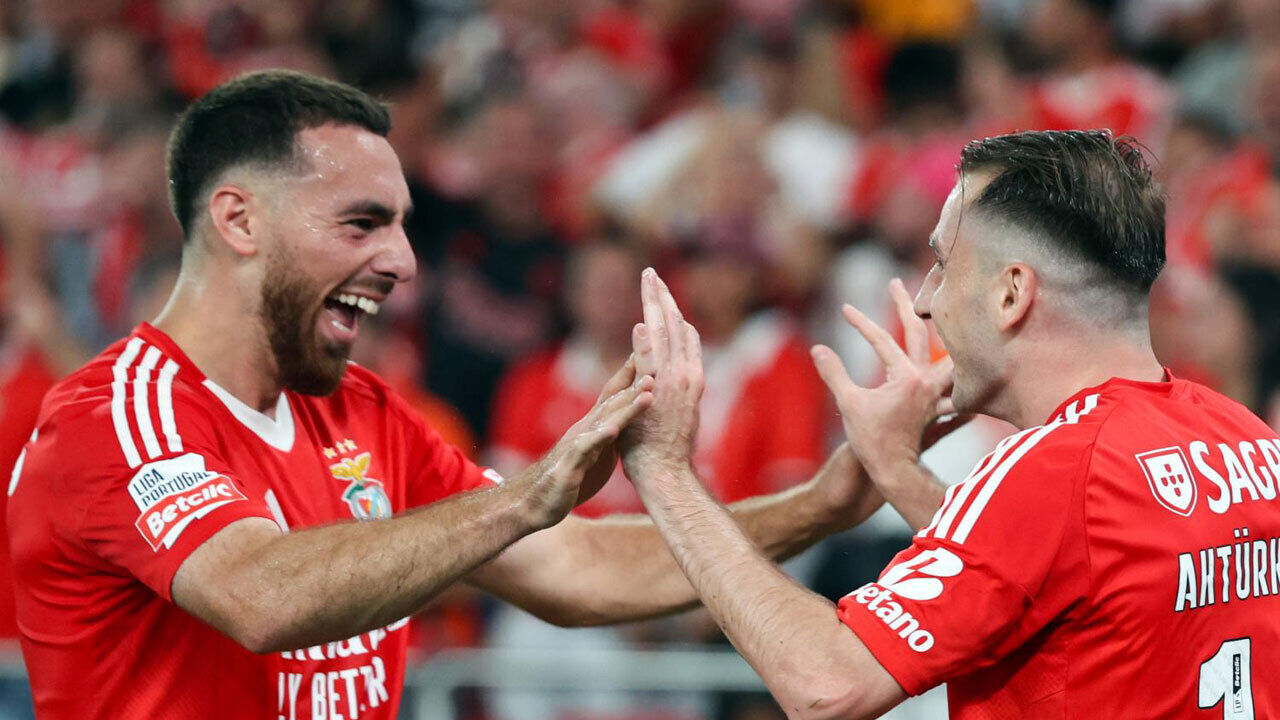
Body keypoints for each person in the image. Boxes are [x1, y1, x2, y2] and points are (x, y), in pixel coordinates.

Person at [5, 70, 895, 720]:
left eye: (401, 224)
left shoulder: (363, 412)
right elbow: (258, 596)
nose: (402, 261)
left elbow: (575, 567)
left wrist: (820, 506)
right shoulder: (117, 417)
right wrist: (526, 500)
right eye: (362, 222)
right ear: (240, 221)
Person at [619, 130, 1280, 718]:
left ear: (1012, 292)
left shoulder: (1053, 467)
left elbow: (827, 685)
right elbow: (1037, 576)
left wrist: (664, 469)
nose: (928, 301)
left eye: (942, 264)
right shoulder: (1246, 440)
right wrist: (894, 470)